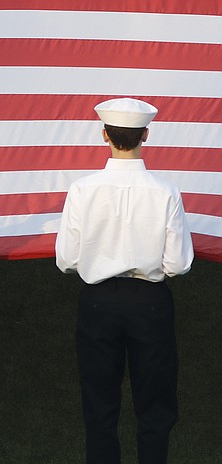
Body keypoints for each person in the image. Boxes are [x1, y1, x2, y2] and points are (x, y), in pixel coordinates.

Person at [55, 98, 194, 464]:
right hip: (150, 302)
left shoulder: (83, 189)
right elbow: (177, 264)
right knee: (156, 405)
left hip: (99, 302)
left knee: (99, 406)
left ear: (104, 135)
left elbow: (67, 259)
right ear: (145, 134)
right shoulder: (166, 191)